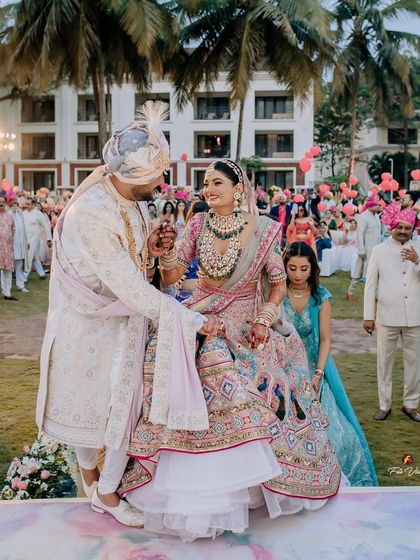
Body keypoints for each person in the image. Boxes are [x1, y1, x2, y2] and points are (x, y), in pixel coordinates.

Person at [120, 159, 341, 541]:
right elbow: (174, 278)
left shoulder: (267, 230)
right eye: (206, 183)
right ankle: (194, 488)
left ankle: (247, 489)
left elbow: (277, 285)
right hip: (202, 314)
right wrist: (168, 252)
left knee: (234, 374)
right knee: (177, 356)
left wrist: (263, 320)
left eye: (217, 182)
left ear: (239, 188)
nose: (209, 189)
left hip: (245, 322)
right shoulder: (197, 224)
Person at [36, 101, 211, 527]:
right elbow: (128, 286)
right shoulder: (92, 213)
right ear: (131, 175)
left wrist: (150, 253)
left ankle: (104, 490)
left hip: (124, 324)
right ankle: (103, 492)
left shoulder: (129, 199)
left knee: (123, 408)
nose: (162, 184)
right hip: (92, 327)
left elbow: (132, 266)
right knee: (105, 408)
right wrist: (190, 319)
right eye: (157, 176)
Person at [282, 242, 377, 486]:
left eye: (304, 269)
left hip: (315, 368)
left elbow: (325, 340)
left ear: (312, 268)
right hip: (282, 367)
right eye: (292, 268)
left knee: (337, 435)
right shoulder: (276, 293)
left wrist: (318, 374)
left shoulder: (321, 298)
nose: (297, 274)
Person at [364, 204, 420, 422]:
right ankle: (384, 404)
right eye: (399, 227)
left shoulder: (419, 248)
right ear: (391, 227)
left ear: (412, 228)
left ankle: (411, 404)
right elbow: (370, 285)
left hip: (415, 316)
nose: (403, 231)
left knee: (414, 363)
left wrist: (417, 261)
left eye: (407, 227)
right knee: (384, 362)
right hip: (386, 316)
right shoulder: (379, 250)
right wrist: (368, 316)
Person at [346, 194, 381, 301]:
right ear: (370, 206)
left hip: (376, 249)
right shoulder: (363, 216)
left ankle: (375, 295)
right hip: (366, 250)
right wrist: (361, 249)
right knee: (358, 273)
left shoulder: (375, 216)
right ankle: (350, 293)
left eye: (378, 205)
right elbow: (359, 234)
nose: (378, 207)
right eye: (376, 205)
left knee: (376, 273)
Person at [23, 198, 52, 281]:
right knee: (35, 257)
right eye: (26, 204)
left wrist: (49, 239)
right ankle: (42, 273)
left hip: (35, 238)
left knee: (29, 256)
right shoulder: (24, 213)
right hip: (26, 238)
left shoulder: (38, 214)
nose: (26, 205)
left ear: (33, 204)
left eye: (28, 204)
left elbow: (46, 226)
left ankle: (24, 277)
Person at [7, 195, 29, 293]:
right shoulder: (6, 213)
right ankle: (7, 288)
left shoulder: (20, 213)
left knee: (19, 266)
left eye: (16, 200)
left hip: (20, 244)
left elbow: (24, 229)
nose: (15, 202)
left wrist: (26, 241)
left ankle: (20, 285)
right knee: (7, 269)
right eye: (13, 200)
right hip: (9, 245)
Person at [0, 195, 17, 301]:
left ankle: (7, 293)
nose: (1, 204)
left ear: (5, 203)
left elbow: (14, 228)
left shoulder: (10, 215)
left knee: (7, 272)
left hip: (7, 248)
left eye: (2, 202)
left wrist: (9, 237)